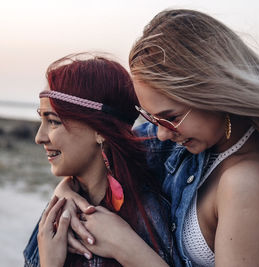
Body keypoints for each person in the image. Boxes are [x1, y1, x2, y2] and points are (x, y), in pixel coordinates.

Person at [53, 9, 259, 267]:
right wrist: (68, 188)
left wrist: (126, 247)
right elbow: (106, 154)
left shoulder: (243, 180)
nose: (162, 133)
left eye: (171, 117)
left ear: (212, 91)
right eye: (152, 119)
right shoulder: (193, 144)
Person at [23, 54, 174, 267]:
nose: (39, 137)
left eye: (54, 122)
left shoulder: (146, 215)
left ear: (100, 130)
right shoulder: (56, 215)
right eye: (42, 120)